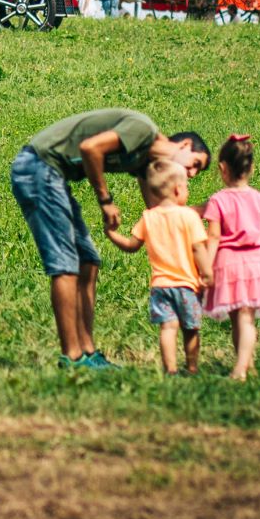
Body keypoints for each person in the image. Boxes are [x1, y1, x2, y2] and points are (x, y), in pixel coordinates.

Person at [9, 109, 209, 370]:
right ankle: (72, 356)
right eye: (194, 163)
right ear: (183, 145)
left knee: (88, 262)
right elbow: (90, 147)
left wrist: (207, 211)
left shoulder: (145, 162)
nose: (192, 173)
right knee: (66, 264)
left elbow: (161, 212)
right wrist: (105, 201)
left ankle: (88, 352)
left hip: (53, 176)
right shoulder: (144, 131)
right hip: (38, 166)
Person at [103, 160, 211, 375]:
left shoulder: (149, 217)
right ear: (178, 189)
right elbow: (199, 248)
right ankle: (191, 367)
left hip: (160, 286)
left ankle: (169, 369)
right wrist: (208, 274)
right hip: (187, 285)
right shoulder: (189, 216)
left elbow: (131, 246)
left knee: (168, 328)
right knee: (191, 329)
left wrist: (111, 233)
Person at [201, 135, 260, 381]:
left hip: (228, 264)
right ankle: (247, 364)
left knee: (240, 319)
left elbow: (213, 237)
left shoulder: (218, 200)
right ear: (252, 168)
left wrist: (206, 267)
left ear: (222, 168)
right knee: (244, 319)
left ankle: (240, 368)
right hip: (256, 263)